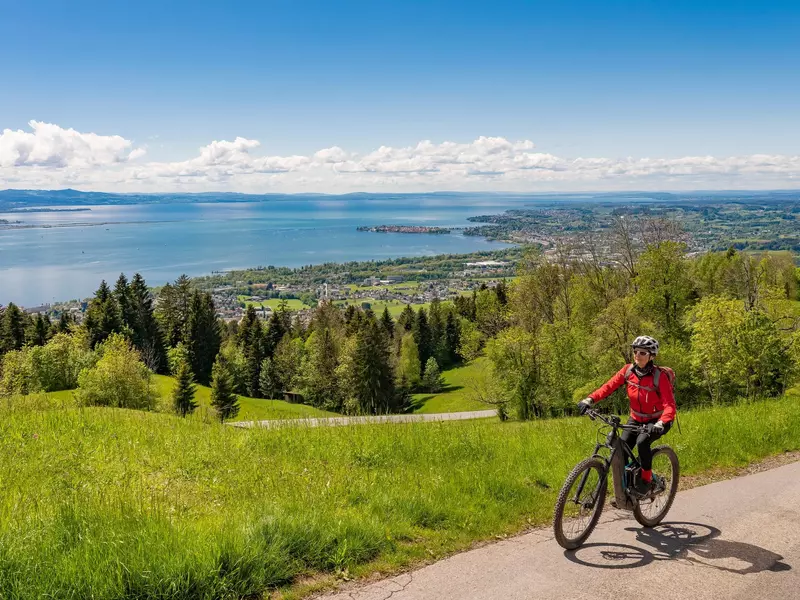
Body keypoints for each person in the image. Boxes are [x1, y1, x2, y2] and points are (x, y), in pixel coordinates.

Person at [577, 335, 677, 495]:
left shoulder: (659, 377)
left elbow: (670, 405)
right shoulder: (628, 371)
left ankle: (646, 481)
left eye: (643, 353)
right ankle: (627, 489)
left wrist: (661, 423)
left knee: (642, 442)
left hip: (657, 421)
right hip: (636, 419)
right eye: (636, 351)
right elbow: (608, 386)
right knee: (621, 452)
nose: (637, 355)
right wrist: (590, 399)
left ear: (651, 356)